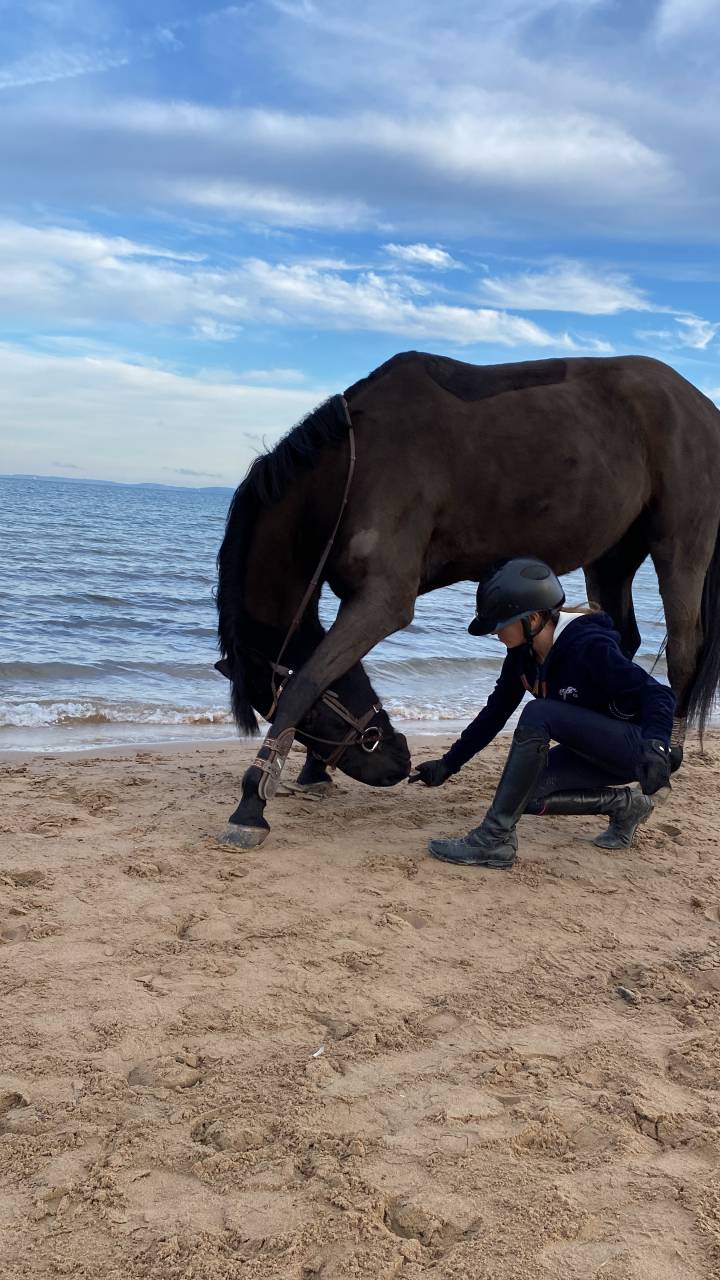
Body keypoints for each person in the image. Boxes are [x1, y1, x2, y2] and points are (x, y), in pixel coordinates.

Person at [410, 557, 674, 870]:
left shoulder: (589, 646)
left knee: (538, 712)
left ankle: (493, 840)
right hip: (588, 751)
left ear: (533, 618)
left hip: (636, 750)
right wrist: (447, 765)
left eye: (500, 624)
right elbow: (495, 714)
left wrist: (656, 746)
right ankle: (626, 806)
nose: (496, 633)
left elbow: (658, 695)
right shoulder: (522, 656)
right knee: (519, 794)